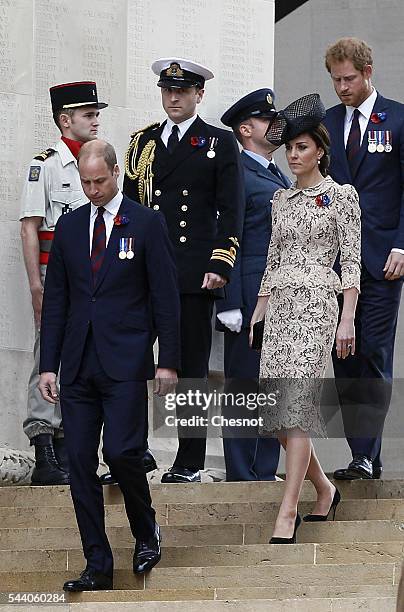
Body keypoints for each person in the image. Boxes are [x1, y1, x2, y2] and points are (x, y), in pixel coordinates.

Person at [38, 140, 180, 591]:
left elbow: (165, 297)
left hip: (126, 362)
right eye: (85, 183)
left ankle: (145, 531)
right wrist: (47, 366)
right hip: (78, 364)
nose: (92, 190)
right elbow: (57, 299)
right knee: (78, 461)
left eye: (99, 181)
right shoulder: (71, 226)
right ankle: (97, 563)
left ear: (116, 173)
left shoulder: (146, 221)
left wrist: (168, 362)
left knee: (121, 453)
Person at [123, 57, 244, 484]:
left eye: (183, 91)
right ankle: (132, 453)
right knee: (132, 363)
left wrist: (220, 264)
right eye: (167, 90)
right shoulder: (142, 143)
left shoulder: (218, 142)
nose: (173, 97)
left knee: (190, 368)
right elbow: (129, 212)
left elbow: (232, 210)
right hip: (145, 274)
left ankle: (189, 460)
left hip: (194, 273)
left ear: (199, 94)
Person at [250, 94, 361, 542]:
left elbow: (350, 262)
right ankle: (324, 488)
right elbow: (270, 258)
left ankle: (287, 509)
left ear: (320, 150)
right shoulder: (280, 200)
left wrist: (347, 318)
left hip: (318, 303)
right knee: (277, 413)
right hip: (278, 307)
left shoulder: (341, 197)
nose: (294, 156)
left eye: (302, 148)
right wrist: (259, 308)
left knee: (297, 408)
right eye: (289, 149)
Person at [323, 37, 404, 480]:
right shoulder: (328, 122)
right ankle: (362, 454)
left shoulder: (399, 118)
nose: (342, 87)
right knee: (343, 357)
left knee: (372, 352)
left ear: (368, 72)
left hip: (382, 258)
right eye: (335, 79)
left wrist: (402, 245)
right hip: (336, 262)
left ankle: (366, 455)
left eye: (349, 78)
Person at [20, 81, 107, 486]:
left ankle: (71, 448)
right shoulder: (46, 164)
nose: (95, 120)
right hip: (56, 276)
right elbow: (30, 228)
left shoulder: (96, 162)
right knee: (48, 357)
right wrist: (37, 287)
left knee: (81, 358)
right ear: (65, 119)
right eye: (88, 114)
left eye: (96, 113)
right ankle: (44, 449)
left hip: (90, 277)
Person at [216, 88, 291, 481]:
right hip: (247, 297)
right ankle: (241, 472)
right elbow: (227, 236)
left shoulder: (276, 171)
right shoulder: (238, 173)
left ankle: (264, 470)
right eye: (266, 119)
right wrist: (227, 300)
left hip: (280, 296)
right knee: (245, 385)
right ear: (246, 129)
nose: (274, 125)